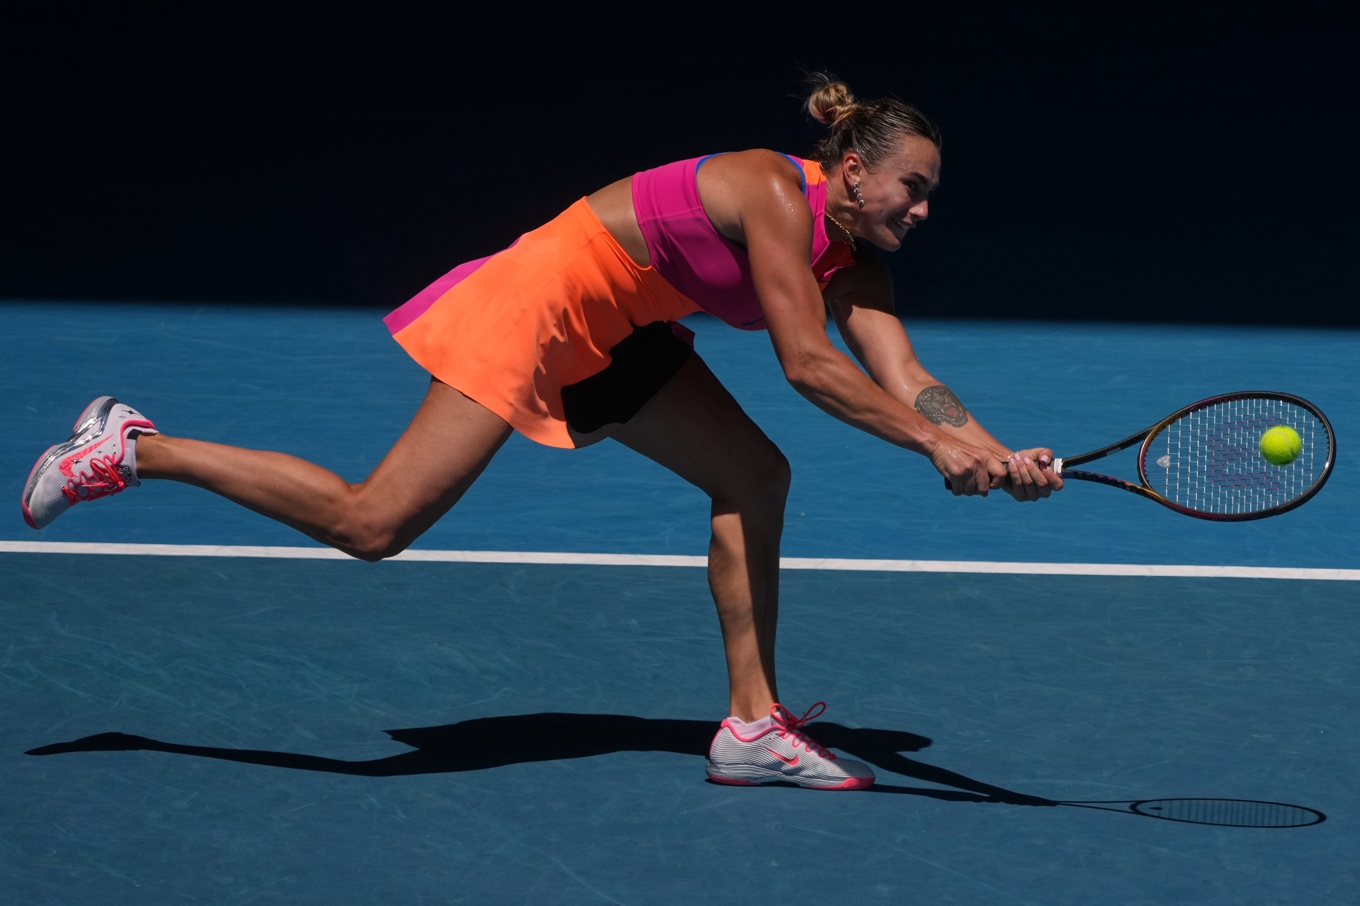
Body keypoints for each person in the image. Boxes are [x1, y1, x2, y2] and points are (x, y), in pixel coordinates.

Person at [21, 76, 1062, 791]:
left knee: (753, 475)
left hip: (623, 332)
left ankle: (751, 725)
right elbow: (807, 364)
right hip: (541, 305)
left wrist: (995, 450)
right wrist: (936, 450)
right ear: (845, 167)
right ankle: (132, 446)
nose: (922, 209)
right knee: (374, 522)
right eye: (910, 188)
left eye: (930, 195)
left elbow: (907, 380)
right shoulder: (764, 187)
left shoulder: (861, 265)